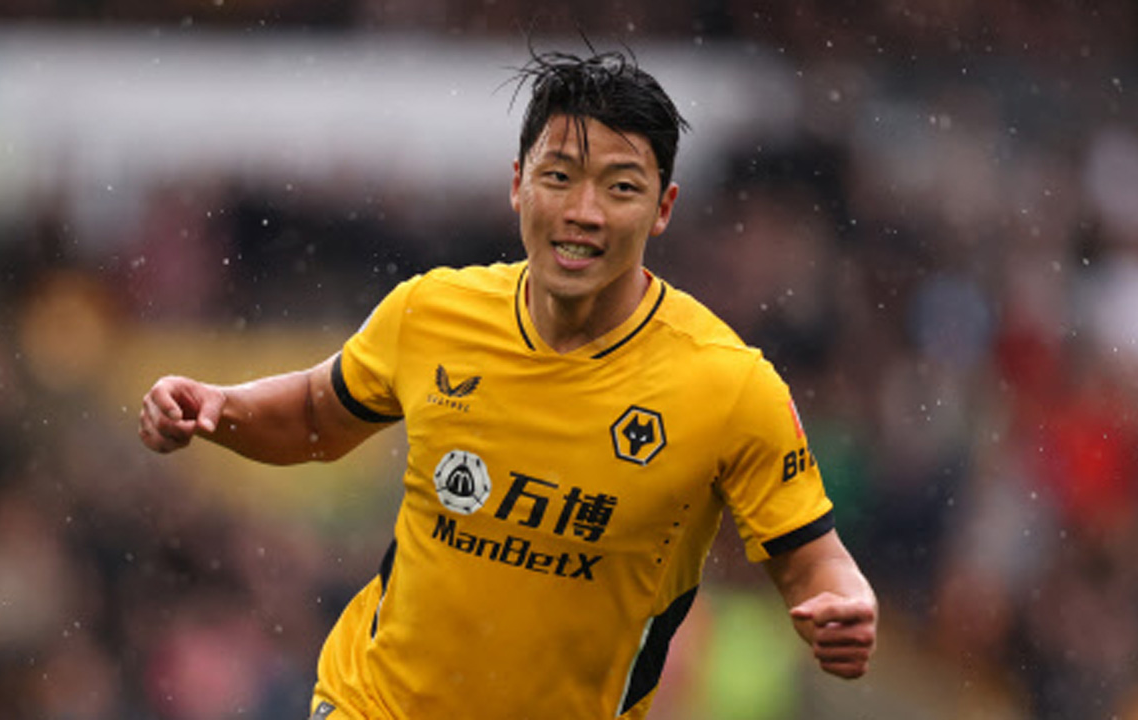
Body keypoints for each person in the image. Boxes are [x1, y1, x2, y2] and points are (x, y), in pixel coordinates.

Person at [138, 48, 877, 719]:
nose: (583, 213)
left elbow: (811, 558)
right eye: (559, 177)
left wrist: (843, 604)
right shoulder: (430, 312)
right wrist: (220, 408)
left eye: (621, 187)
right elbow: (313, 416)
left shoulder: (729, 385)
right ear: (519, 184)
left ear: (663, 209)